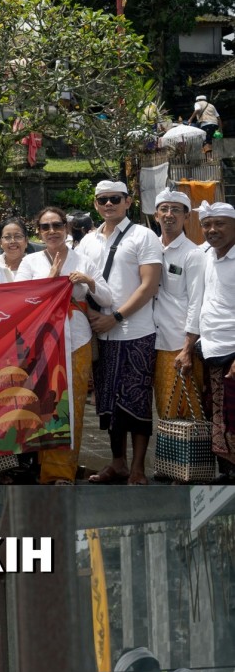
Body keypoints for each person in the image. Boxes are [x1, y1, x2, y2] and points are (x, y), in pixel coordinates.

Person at [16, 205, 111, 484]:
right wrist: (50, 281)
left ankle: (63, 473)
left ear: (66, 228)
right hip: (44, 343)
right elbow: (22, 302)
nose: (51, 232)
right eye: (45, 227)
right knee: (47, 406)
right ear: (39, 232)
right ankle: (46, 469)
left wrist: (89, 281)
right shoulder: (30, 263)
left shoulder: (83, 260)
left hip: (77, 340)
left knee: (74, 407)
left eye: (56, 225)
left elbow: (107, 299)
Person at [77, 180, 163, 486]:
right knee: (109, 401)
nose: (109, 204)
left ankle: (138, 467)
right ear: (96, 204)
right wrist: (93, 316)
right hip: (101, 331)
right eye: (103, 200)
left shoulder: (143, 236)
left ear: (128, 202)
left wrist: (115, 316)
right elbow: (79, 284)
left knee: (137, 400)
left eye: (115, 199)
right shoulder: (88, 240)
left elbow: (149, 285)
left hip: (135, 330)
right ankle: (118, 463)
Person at [176, 201, 235, 481]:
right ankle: (227, 472)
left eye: (220, 224)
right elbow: (197, 304)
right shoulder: (204, 256)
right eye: (207, 225)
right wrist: (188, 348)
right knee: (217, 416)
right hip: (211, 350)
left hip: (233, 353)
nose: (212, 230)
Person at [149, 190, 206, 424]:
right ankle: (169, 460)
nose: (169, 214)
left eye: (176, 210)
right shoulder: (149, 248)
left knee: (185, 411)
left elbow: (196, 302)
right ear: (156, 215)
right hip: (153, 340)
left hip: (179, 343)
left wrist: (188, 347)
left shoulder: (193, 254)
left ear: (186, 217)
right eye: (164, 209)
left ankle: (187, 461)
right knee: (164, 409)